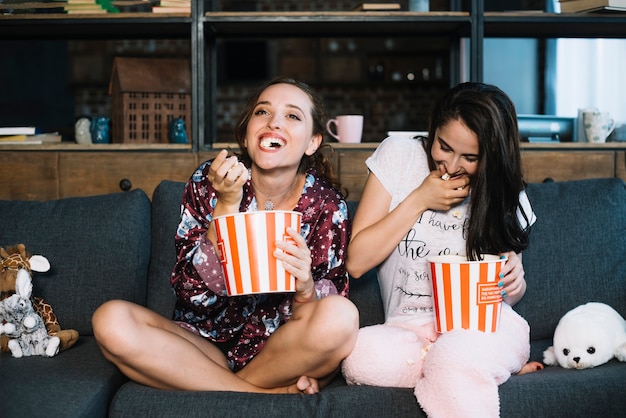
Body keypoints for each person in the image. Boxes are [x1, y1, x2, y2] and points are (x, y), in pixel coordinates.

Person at [92, 77, 359, 395]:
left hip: (279, 354)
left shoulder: (327, 204)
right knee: (110, 320)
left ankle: (219, 387)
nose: (274, 122)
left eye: (292, 115)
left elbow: (324, 313)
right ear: (247, 136)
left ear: (313, 142)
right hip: (201, 346)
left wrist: (305, 289)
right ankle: (258, 395)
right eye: (262, 112)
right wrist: (227, 205)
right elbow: (192, 295)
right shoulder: (209, 182)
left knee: (342, 318)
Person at [341, 82, 543, 417]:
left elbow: (508, 293)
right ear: (433, 130)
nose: (450, 165)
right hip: (408, 333)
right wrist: (420, 199)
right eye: (444, 147)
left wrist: (516, 281)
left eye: (470, 157)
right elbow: (357, 262)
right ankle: (473, 372)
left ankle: (463, 366)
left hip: (483, 328)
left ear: (491, 158)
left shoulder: (506, 192)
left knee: (456, 355)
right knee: (360, 357)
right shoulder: (400, 155)